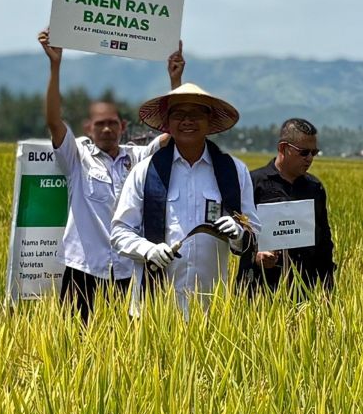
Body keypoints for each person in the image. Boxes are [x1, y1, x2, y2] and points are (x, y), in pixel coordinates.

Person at [38, 30, 183, 321]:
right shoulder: (77, 156)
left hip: (128, 271)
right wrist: (55, 65)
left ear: (123, 126)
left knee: (124, 351)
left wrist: (174, 81)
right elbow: (54, 121)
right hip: (85, 270)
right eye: (100, 124)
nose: (107, 129)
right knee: (75, 348)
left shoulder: (138, 157)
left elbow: (172, 135)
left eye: (112, 124)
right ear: (88, 127)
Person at [110, 83, 260, 315]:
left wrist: (239, 232)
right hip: (155, 304)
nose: (187, 121)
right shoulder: (145, 171)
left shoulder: (234, 171)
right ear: (168, 123)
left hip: (213, 305)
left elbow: (255, 231)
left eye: (196, 114)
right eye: (179, 114)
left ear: (209, 122)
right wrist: (148, 249)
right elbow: (119, 232)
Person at [235, 117, 336, 295]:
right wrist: (256, 255)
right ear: (283, 148)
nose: (310, 158)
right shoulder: (253, 184)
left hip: (304, 291)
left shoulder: (315, 188)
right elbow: (236, 236)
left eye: (314, 152)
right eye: (304, 152)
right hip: (259, 289)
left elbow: (324, 243)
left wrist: (328, 288)